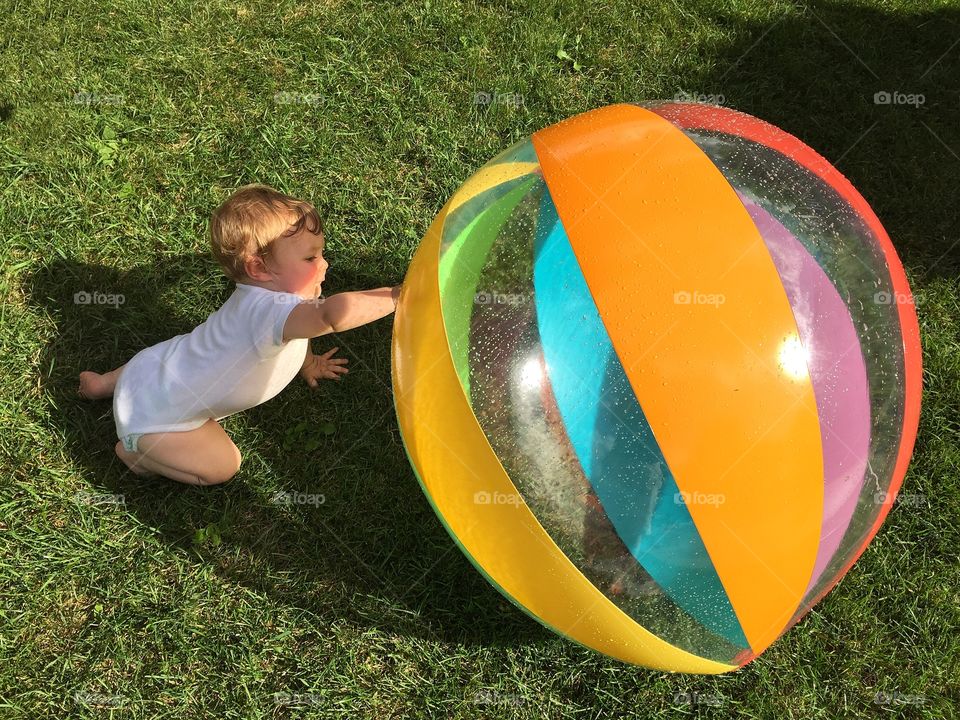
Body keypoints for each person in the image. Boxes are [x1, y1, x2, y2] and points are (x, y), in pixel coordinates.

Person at [77, 183, 401, 486]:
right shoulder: (272, 311)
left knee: (161, 362)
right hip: (160, 420)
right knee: (224, 466)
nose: (325, 264)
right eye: (310, 257)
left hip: (153, 367)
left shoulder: (265, 300)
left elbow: (299, 329)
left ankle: (102, 384)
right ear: (259, 268)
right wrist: (397, 296)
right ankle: (136, 453)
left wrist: (309, 362)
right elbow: (332, 315)